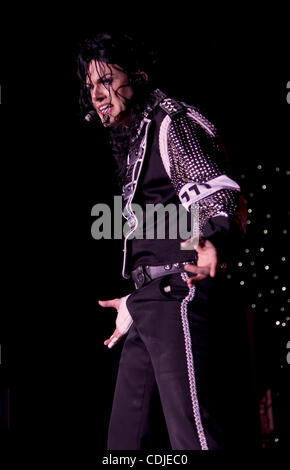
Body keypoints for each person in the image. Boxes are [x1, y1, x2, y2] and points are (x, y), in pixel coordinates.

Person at [77, 33, 249, 450]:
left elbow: (216, 190)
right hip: (147, 301)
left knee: (195, 440)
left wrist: (214, 240)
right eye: (89, 87)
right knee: (125, 445)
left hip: (178, 292)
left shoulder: (170, 120)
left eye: (105, 80)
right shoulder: (138, 136)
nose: (97, 94)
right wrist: (136, 295)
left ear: (135, 75)